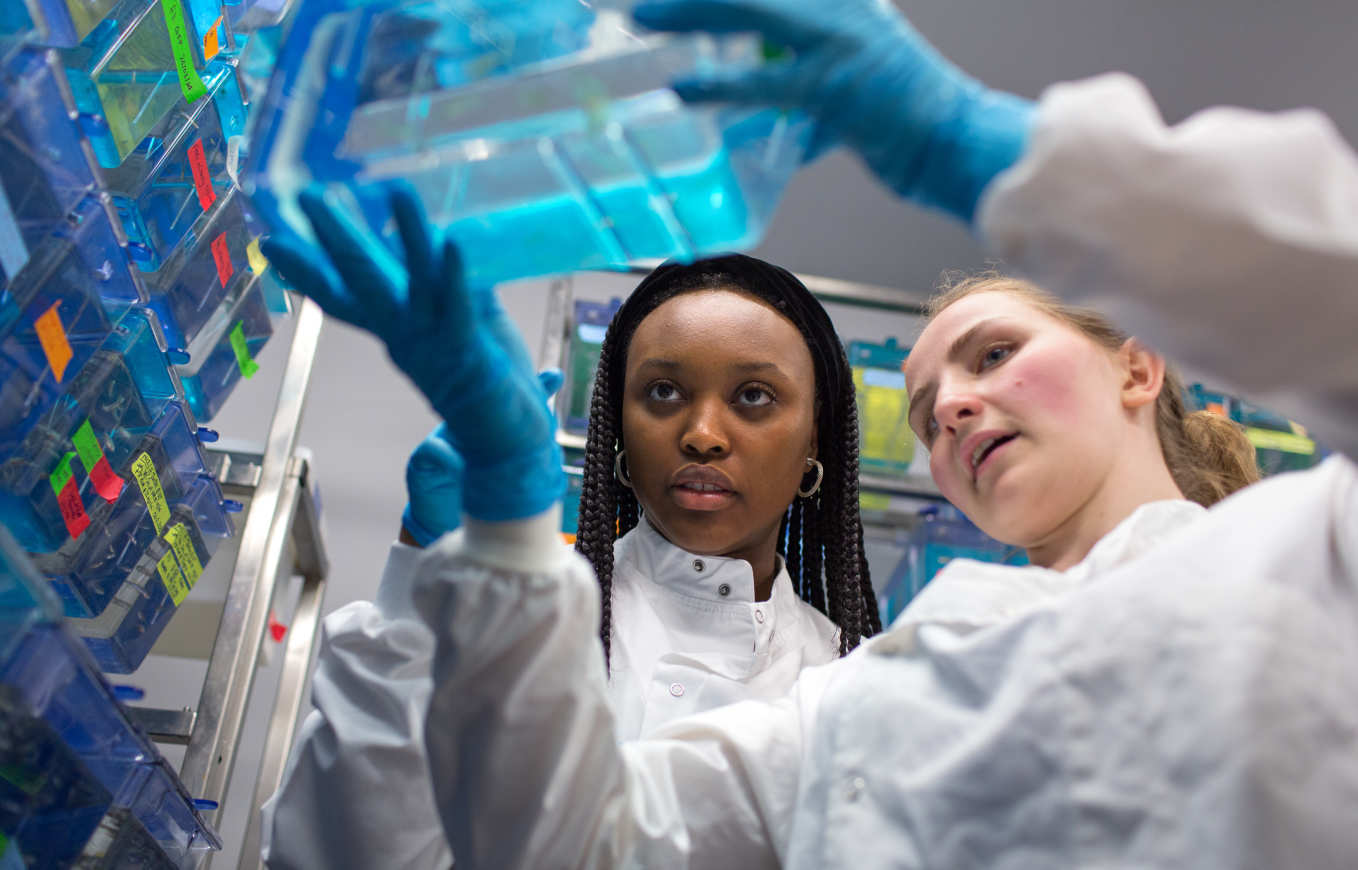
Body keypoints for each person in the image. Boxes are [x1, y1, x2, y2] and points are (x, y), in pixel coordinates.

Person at [261, 0, 1358, 864]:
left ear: (1137, 358)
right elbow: (573, 847)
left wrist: (1011, 154)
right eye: (927, 413)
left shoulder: (1308, 547)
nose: (956, 408)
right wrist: (489, 528)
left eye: (990, 356)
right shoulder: (904, 683)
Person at [259, 247, 882, 868]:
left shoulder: (845, 679)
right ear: (618, 429)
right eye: (663, 391)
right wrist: (423, 578)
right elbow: (332, 853)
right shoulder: (521, 621)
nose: (702, 434)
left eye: (753, 396)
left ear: (814, 442)